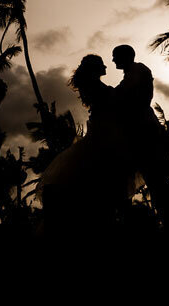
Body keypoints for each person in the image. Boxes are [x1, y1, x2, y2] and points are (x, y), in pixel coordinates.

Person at [38, 54, 139, 234]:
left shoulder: (92, 85)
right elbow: (112, 101)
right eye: (102, 65)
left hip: (103, 130)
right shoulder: (94, 87)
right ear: (95, 69)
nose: (106, 68)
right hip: (104, 133)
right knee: (110, 176)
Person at [111, 44, 169, 233]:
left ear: (125, 56)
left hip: (144, 132)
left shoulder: (137, 70)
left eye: (115, 56)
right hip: (140, 130)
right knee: (153, 179)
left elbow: (122, 95)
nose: (113, 60)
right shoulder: (134, 72)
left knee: (156, 178)